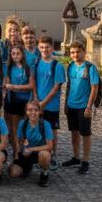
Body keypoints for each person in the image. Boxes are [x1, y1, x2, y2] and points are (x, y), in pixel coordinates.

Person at [63, 40, 100, 175]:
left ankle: (85, 161)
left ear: (84, 52)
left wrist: (89, 106)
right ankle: (76, 157)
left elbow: (94, 88)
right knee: (74, 131)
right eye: (72, 52)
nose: (75, 54)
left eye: (78, 52)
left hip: (84, 106)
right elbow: (69, 86)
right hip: (71, 105)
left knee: (85, 133)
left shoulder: (90, 68)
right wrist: (66, 104)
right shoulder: (71, 66)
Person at [33, 35, 67, 164]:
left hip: (51, 104)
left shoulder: (57, 66)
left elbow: (55, 88)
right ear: (39, 47)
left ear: (52, 48)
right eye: (42, 47)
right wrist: (36, 99)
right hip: (37, 103)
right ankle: (41, 152)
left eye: (47, 47)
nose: (44, 49)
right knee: (39, 129)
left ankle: (53, 154)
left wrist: (43, 103)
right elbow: (34, 83)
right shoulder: (36, 63)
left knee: (52, 130)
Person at [13, 100, 55, 186]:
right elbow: (17, 139)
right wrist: (18, 149)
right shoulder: (23, 123)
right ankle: (27, 167)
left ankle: (44, 172)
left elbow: (50, 146)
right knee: (13, 173)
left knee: (45, 155)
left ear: (40, 112)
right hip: (26, 152)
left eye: (36, 110)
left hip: (39, 152)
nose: (33, 112)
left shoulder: (45, 124)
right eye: (30, 110)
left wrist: (30, 149)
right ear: (26, 111)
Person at [2, 43, 34, 156]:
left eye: (18, 53)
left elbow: (31, 86)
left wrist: (15, 87)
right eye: (13, 54)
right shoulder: (9, 67)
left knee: (24, 126)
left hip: (25, 102)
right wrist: (9, 86)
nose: (15, 56)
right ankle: (16, 151)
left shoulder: (28, 67)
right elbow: (6, 84)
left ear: (22, 54)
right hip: (13, 100)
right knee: (14, 127)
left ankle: (23, 147)